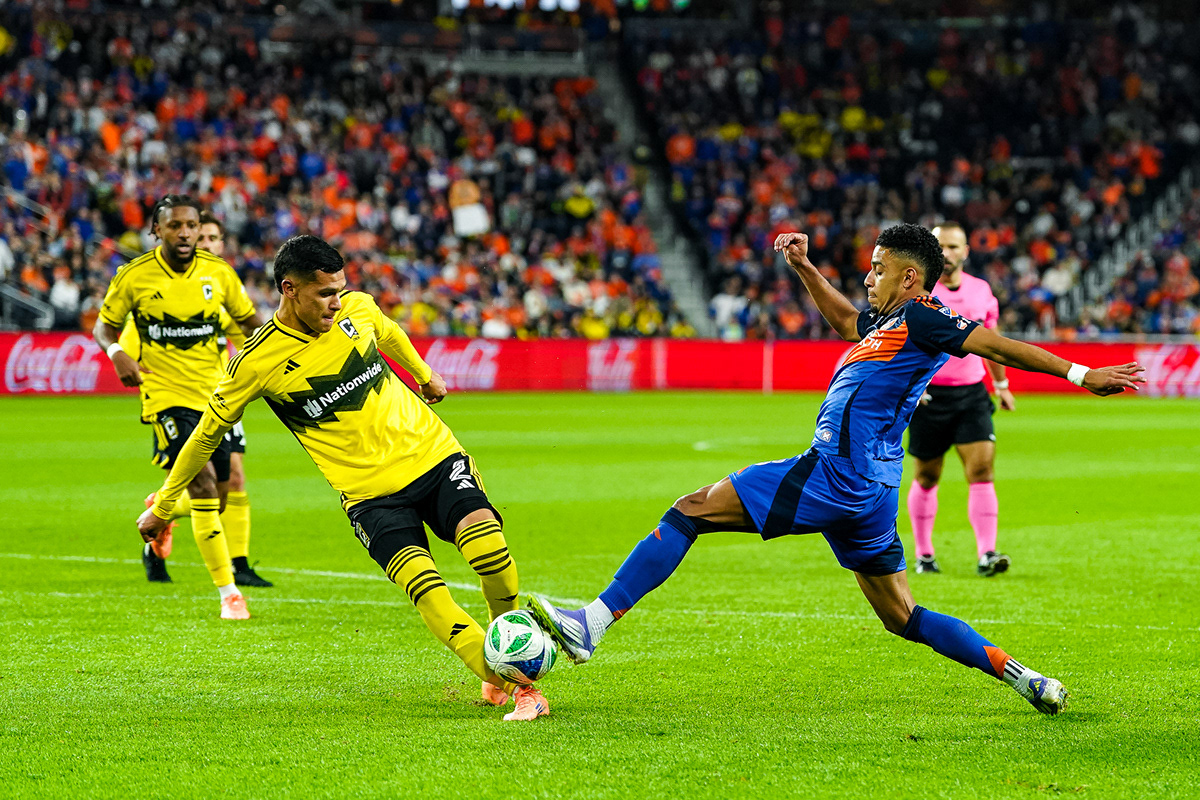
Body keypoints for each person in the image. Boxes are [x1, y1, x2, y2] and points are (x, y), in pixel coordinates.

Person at [528, 223, 1144, 715]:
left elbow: (995, 345)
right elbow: (847, 321)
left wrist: (1080, 373)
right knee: (903, 617)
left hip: (835, 474)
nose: (868, 277)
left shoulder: (925, 316)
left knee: (691, 511)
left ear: (909, 276)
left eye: (878, 268)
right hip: (870, 491)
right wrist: (803, 267)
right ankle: (1024, 676)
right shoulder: (889, 323)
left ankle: (591, 624)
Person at [135, 235, 549, 721]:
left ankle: (503, 638)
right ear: (289, 289)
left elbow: (388, 332)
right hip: (369, 496)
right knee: (427, 589)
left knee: (491, 553)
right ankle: (514, 684)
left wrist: (423, 373)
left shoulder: (358, 309)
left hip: (433, 456)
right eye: (325, 293)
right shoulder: (255, 362)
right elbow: (205, 436)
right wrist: (164, 506)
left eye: (340, 289)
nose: (337, 302)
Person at [93, 195, 262, 619]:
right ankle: (229, 594)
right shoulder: (134, 276)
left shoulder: (219, 273)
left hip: (216, 396)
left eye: (191, 225)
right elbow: (104, 327)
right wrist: (117, 352)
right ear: (157, 230)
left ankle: (162, 509)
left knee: (220, 497)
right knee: (202, 485)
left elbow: (250, 324)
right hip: (166, 395)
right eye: (175, 226)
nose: (184, 233)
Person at [129, 210, 273, 587]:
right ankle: (222, 565)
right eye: (200, 237)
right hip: (179, 399)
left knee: (231, 482)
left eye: (212, 238)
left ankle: (170, 516)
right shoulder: (165, 286)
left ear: (222, 244)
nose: (204, 244)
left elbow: (249, 336)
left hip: (223, 396)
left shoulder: (224, 287)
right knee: (200, 484)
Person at [907, 222, 1014, 576]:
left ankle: (987, 554)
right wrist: (910, 386)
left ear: (966, 251)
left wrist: (1001, 384)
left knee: (982, 469)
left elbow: (992, 341)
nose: (947, 253)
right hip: (928, 396)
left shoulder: (981, 290)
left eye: (953, 247)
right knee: (927, 475)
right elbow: (900, 342)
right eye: (940, 246)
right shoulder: (918, 293)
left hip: (971, 393)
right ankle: (924, 555)